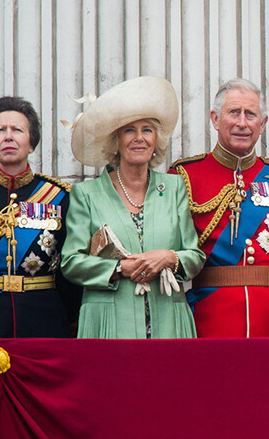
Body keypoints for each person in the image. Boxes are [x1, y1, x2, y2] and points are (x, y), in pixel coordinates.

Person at [172, 78, 269, 338]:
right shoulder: (184, 176)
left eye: (250, 114)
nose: (242, 123)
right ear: (215, 119)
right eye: (234, 113)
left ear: (262, 124)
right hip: (209, 320)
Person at [61, 76, 205, 338]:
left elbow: (194, 256)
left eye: (147, 130)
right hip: (109, 323)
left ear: (156, 140)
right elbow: (71, 262)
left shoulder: (174, 188)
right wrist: (119, 269)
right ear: (115, 140)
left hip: (168, 322)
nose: (139, 138)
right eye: (129, 130)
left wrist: (170, 258)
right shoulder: (86, 194)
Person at [0, 96, 78, 338]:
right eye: (0, 131)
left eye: (17, 130)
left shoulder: (61, 197)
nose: (8, 136)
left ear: (31, 143)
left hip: (45, 317)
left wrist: (70, 317)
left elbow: (67, 270)